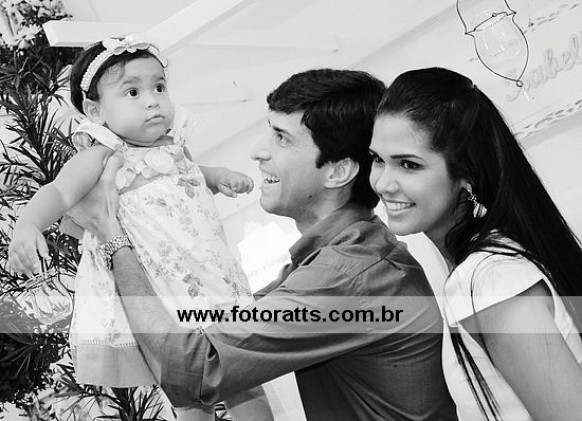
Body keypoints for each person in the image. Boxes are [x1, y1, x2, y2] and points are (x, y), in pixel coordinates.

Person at [64, 68, 458, 420]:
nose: (258, 151)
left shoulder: (345, 276)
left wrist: (111, 235)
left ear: (338, 171)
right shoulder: (341, 259)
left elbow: (193, 370)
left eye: (282, 138)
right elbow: (230, 322)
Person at [8, 34, 273, 421]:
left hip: (210, 278)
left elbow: (190, 174)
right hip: (162, 293)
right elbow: (60, 192)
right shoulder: (102, 156)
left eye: (159, 87)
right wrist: (29, 223)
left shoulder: (173, 146)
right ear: (96, 111)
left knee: (243, 375)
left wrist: (218, 177)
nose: (152, 100)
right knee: (188, 389)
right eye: (132, 92)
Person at [369, 66, 582, 420]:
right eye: (378, 160)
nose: (383, 183)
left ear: (466, 176)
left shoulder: (491, 281)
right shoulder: (484, 268)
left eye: (408, 164)